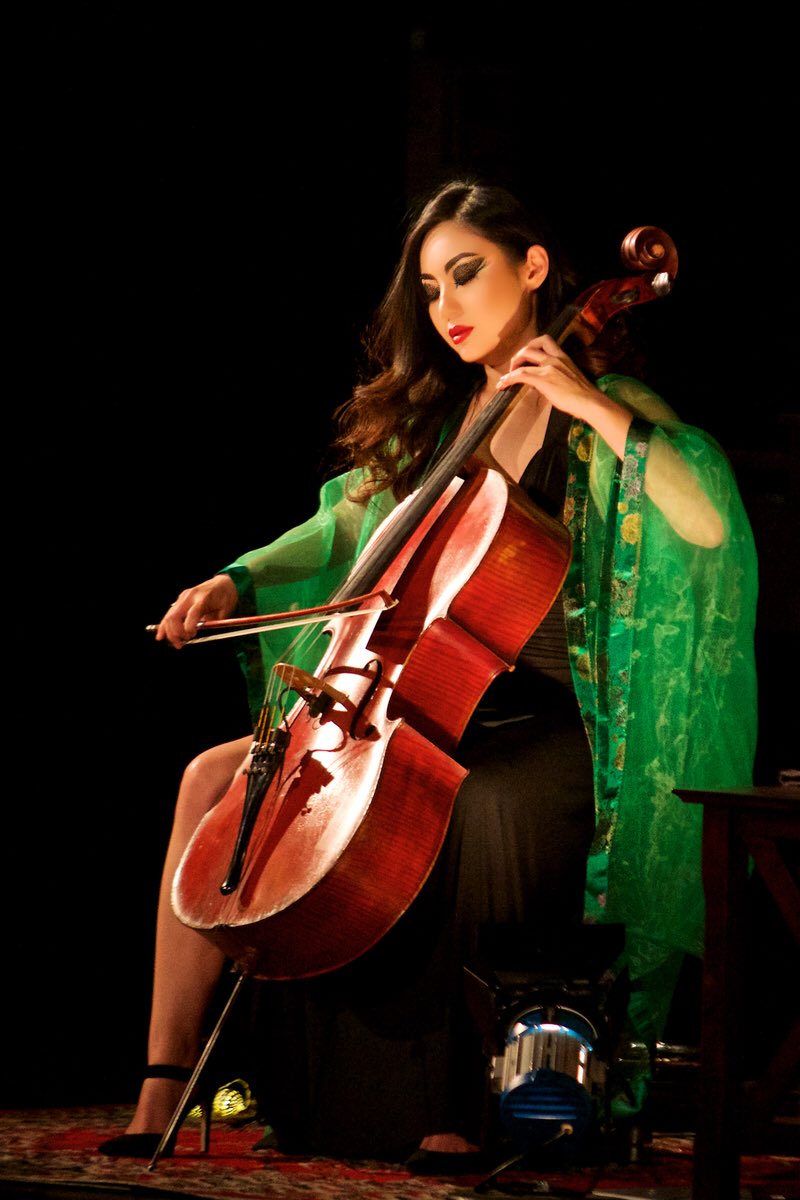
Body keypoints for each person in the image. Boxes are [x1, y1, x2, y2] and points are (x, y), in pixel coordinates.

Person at [99, 179, 758, 1170]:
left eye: (467, 273)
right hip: (428, 699)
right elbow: (345, 525)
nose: (446, 305)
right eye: (430, 287)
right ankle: (164, 1081)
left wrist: (584, 399)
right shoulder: (449, 421)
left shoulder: (602, 408)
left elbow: (706, 523)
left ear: (532, 269)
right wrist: (236, 578)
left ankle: (463, 1099)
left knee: (478, 797)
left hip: (552, 715)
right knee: (211, 780)